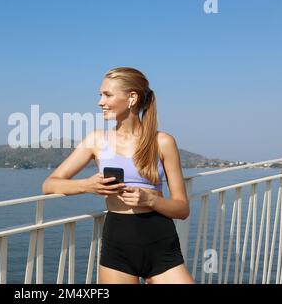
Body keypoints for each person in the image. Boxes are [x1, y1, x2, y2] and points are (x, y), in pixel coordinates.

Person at [42, 67, 194, 284]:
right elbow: (49, 184)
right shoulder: (96, 140)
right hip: (118, 246)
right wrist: (87, 186)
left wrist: (150, 199)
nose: (100, 102)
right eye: (100, 95)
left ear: (132, 97)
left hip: (161, 242)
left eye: (108, 95)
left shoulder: (163, 142)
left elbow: (182, 208)